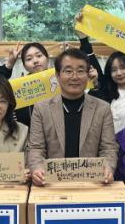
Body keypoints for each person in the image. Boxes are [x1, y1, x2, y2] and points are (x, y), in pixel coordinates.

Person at [27, 48, 118, 186]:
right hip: (52, 184)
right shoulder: (41, 108)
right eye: (68, 71)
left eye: (80, 71)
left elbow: (109, 148)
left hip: (92, 184)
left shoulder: (103, 108)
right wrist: (37, 169)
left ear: (88, 75)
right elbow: (36, 148)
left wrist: (108, 167)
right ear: (57, 76)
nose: (75, 77)